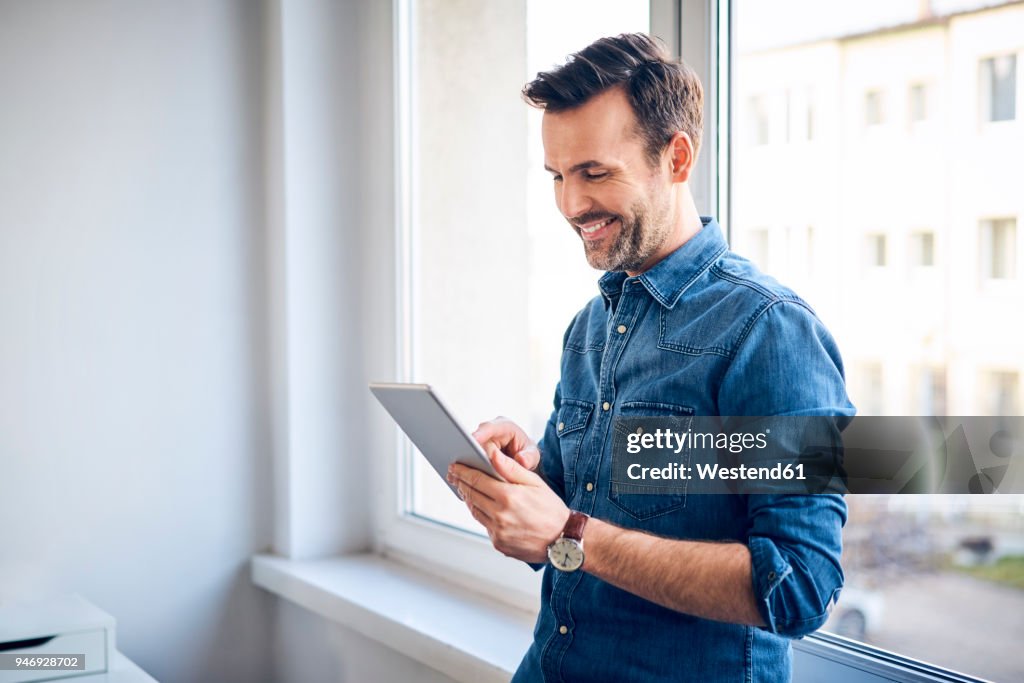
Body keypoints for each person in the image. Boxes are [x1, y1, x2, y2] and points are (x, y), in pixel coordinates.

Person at [446, 33, 854, 682]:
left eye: (595, 173)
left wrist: (570, 533)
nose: (571, 205)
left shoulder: (768, 332)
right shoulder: (589, 328)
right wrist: (529, 481)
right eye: (557, 176)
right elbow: (570, 526)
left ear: (677, 157)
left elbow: (799, 587)